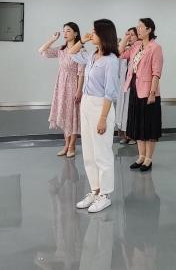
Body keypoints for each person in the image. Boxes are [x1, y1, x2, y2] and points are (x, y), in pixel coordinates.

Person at [69, 19, 121, 213]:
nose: (91, 34)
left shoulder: (111, 60)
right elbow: (71, 52)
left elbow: (110, 92)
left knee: (102, 152)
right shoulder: (91, 55)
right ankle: (95, 190)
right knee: (89, 152)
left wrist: (103, 118)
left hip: (101, 106)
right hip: (86, 103)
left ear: (104, 35)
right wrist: (82, 40)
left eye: (94, 31)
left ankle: (105, 195)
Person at [121, 18, 164, 171]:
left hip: (148, 92)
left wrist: (152, 92)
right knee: (138, 125)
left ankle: (148, 159)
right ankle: (140, 157)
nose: (138, 29)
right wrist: (126, 38)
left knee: (148, 126)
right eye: (137, 27)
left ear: (149, 29)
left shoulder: (155, 48)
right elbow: (120, 53)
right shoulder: (136, 46)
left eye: (141, 27)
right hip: (135, 90)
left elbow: (156, 73)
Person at [37, 22, 84, 158]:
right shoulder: (61, 49)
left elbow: (82, 73)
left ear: (75, 33)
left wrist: (79, 90)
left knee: (72, 116)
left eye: (68, 31)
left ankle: (72, 146)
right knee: (64, 114)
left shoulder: (80, 51)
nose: (65, 33)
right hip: (61, 85)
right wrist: (53, 39)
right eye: (64, 31)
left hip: (73, 85)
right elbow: (42, 51)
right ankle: (66, 145)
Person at [116, 27, 138, 145]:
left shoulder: (138, 50)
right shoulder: (126, 50)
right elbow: (118, 55)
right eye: (127, 34)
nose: (129, 37)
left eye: (132, 35)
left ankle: (133, 135)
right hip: (123, 85)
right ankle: (125, 135)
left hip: (134, 85)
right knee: (123, 111)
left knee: (131, 111)